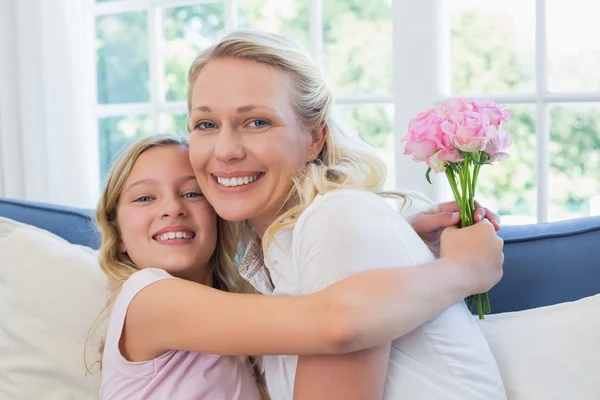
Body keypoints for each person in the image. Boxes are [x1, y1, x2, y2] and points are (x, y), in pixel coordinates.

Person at [187, 30, 507, 399]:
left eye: (257, 122)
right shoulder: (279, 254)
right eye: (206, 124)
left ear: (314, 139)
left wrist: (463, 269)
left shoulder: (339, 217)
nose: (225, 150)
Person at [96, 133, 503, 400]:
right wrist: (464, 270)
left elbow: (312, 297)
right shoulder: (149, 299)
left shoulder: (238, 309)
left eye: (191, 193)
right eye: (144, 199)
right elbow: (336, 322)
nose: (172, 209)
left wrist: (400, 237)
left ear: (218, 212)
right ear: (116, 224)